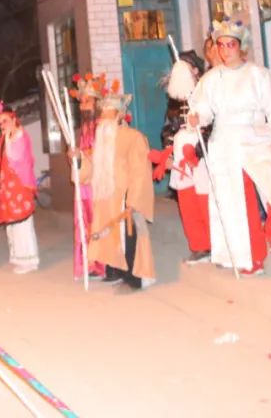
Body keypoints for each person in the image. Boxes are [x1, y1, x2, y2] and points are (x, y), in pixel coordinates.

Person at [189, 20, 271, 275]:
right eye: (221, 45)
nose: (225, 50)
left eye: (231, 45)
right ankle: (249, 257)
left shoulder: (258, 75)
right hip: (225, 144)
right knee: (236, 201)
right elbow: (202, 110)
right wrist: (197, 117)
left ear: (241, 46)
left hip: (257, 138)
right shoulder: (210, 80)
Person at [78, 91, 155, 289]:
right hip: (105, 196)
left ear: (120, 115)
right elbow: (90, 167)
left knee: (128, 235)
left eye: (108, 113)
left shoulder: (134, 137)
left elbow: (140, 171)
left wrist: (134, 199)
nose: (103, 118)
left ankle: (135, 275)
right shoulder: (101, 140)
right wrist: (78, 159)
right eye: (101, 113)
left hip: (125, 196)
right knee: (108, 235)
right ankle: (114, 270)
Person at [163, 50, 213, 264]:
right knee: (187, 202)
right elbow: (168, 129)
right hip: (180, 158)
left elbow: (214, 125)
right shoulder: (175, 101)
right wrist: (168, 152)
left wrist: (199, 153)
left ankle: (215, 244)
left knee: (205, 200)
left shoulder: (206, 94)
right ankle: (199, 246)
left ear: (195, 70)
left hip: (201, 155)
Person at [0, 99, 40, 274]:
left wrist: (8, 137)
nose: (2, 125)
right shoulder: (6, 137)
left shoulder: (19, 136)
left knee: (22, 224)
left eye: (5, 121)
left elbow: (15, 158)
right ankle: (18, 257)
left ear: (14, 119)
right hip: (7, 187)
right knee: (12, 225)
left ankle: (29, 260)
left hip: (19, 186)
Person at [68, 73, 107, 279]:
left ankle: (102, 265)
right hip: (84, 183)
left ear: (97, 102)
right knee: (84, 223)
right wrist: (74, 156)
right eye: (81, 101)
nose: (84, 105)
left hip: (99, 183)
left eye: (88, 101)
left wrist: (81, 155)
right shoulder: (83, 128)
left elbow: (102, 153)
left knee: (98, 222)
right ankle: (89, 264)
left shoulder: (103, 125)